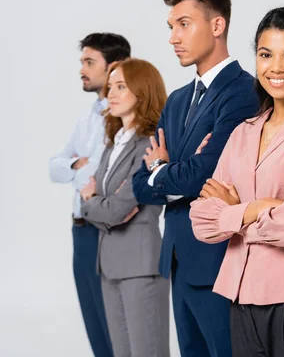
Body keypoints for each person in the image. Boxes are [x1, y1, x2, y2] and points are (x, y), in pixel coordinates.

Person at [189, 6, 284, 356]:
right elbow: (200, 221)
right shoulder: (243, 132)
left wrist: (234, 216)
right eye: (265, 54)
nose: (276, 67)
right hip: (241, 298)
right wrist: (257, 209)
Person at [131, 0, 259, 357]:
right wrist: (168, 171)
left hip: (218, 258)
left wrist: (166, 169)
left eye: (183, 24)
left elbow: (205, 173)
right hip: (177, 260)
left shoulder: (243, 93)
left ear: (217, 26)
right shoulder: (177, 100)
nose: (173, 37)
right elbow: (141, 185)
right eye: (171, 27)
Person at [80, 58, 170, 357]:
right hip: (109, 265)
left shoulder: (149, 145)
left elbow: (117, 208)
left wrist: (91, 201)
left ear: (142, 92)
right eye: (110, 87)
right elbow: (112, 206)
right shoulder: (113, 143)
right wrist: (101, 205)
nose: (111, 94)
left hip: (140, 266)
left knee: (148, 352)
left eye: (121, 86)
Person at [49, 32, 130, 357]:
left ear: (114, 67)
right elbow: (53, 167)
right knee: (94, 324)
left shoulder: (124, 114)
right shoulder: (86, 118)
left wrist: (79, 166)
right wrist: (78, 165)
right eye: (82, 61)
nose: (81, 69)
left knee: (115, 327)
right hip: (80, 230)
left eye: (89, 62)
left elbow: (103, 175)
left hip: (104, 230)